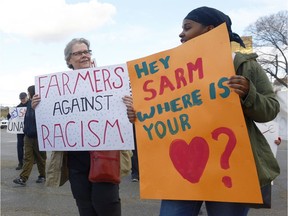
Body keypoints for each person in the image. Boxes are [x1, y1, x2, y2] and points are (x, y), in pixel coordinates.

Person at [123, 6, 280, 216]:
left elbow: (271, 109)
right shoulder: (168, 71)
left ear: (209, 29)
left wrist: (248, 93)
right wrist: (139, 115)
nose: (181, 34)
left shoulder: (243, 64)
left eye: (187, 27)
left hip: (230, 164)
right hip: (182, 165)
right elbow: (162, 113)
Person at [32, 38, 121, 216]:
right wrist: (39, 108)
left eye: (87, 51)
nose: (84, 55)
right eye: (78, 53)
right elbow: (49, 122)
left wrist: (128, 107)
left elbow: (122, 116)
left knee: (105, 204)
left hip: (104, 156)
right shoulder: (56, 89)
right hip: (76, 159)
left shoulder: (108, 82)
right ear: (69, 60)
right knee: (84, 205)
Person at [13, 85, 47, 185]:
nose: (27, 95)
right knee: (28, 158)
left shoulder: (40, 103)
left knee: (40, 158)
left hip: (38, 136)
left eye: (28, 93)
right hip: (28, 135)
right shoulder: (27, 104)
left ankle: (42, 175)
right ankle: (23, 178)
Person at [7, 92, 28, 170]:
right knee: (20, 146)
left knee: (32, 146)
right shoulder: (17, 107)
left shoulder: (31, 105)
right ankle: (21, 162)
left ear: (27, 97)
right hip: (20, 130)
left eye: (24, 98)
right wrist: (9, 115)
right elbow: (11, 118)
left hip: (29, 129)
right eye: (21, 98)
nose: (22, 99)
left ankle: (33, 160)